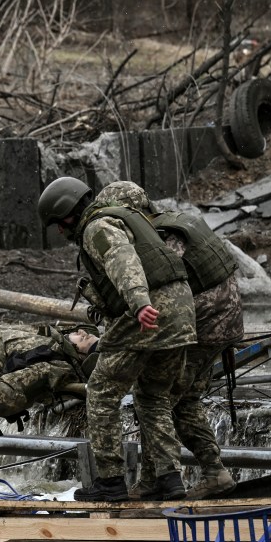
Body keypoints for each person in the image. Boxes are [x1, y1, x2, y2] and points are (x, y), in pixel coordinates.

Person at [37, 177, 197, 502]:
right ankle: (169, 478)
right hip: (182, 312)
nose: (59, 232)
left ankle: (110, 481)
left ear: (67, 215)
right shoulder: (134, 221)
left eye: (57, 224)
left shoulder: (98, 227)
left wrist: (139, 301)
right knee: (153, 396)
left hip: (148, 313)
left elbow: (123, 260)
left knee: (101, 392)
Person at [99, 182, 241, 501]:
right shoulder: (178, 219)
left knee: (156, 395)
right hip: (221, 317)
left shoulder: (162, 234)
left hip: (202, 322)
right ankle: (165, 478)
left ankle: (201, 474)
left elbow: (163, 278)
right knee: (180, 398)